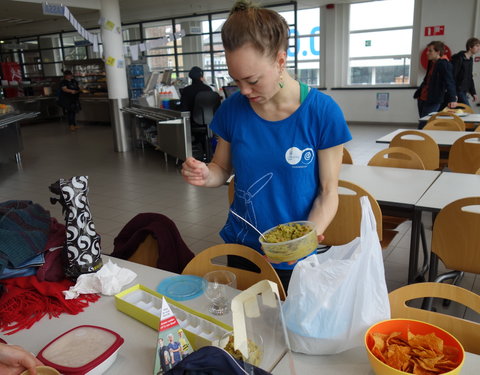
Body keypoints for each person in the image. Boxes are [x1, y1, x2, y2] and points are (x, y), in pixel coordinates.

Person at [181, 0, 351, 291]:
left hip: (294, 253)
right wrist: (206, 175)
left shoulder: (321, 112)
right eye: (236, 80)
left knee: (289, 329)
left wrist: (306, 238)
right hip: (244, 245)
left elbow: (328, 192)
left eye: (252, 80)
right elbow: (222, 168)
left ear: (280, 61)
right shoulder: (233, 109)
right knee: (246, 325)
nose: (244, 91)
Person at [414, 41, 457, 128]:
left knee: (425, 125)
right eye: (427, 50)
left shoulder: (444, 64)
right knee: (423, 122)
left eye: (430, 51)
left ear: (438, 52)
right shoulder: (432, 62)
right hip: (423, 97)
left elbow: (450, 81)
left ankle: (423, 141)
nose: (427, 53)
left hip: (433, 99)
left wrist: (452, 98)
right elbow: (428, 79)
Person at [451, 37, 480, 106]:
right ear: (470, 47)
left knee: (462, 113)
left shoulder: (470, 59)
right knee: (468, 110)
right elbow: (452, 76)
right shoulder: (459, 58)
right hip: (458, 91)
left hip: (464, 91)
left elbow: (470, 77)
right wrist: (453, 94)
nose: (479, 48)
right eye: (477, 46)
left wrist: (473, 93)